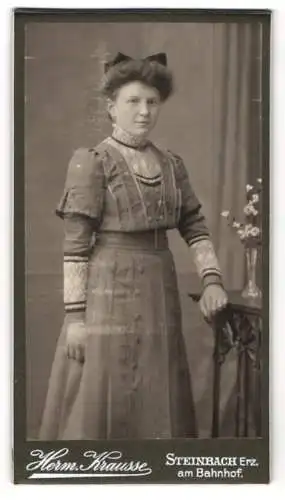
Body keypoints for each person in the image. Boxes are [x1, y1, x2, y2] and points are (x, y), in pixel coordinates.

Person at [39, 52, 228, 440]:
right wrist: (75, 319)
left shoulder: (172, 165)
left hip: (159, 290)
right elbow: (75, 247)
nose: (144, 111)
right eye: (133, 101)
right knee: (107, 390)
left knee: (157, 392)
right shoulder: (90, 162)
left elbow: (194, 224)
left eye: (152, 102)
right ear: (111, 107)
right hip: (106, 292)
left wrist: (212, 280)